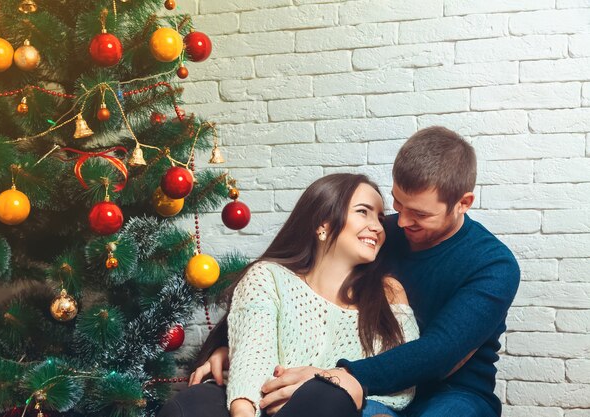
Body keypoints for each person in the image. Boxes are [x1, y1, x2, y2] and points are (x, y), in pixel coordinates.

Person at [183, 126, 520, 417]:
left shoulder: (493, 266)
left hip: (450, 390)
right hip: (366, 383)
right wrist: (234, 346)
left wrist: (339, 375)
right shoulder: (376, 234)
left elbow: (441, 353)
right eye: (398, 204)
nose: (400, 222)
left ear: (463, 204)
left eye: (419, 214)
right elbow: (289, 280)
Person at [157, 173, 420, 417]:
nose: (377, 227)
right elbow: (252, 362)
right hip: (259, 402)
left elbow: (402, 385)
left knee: (327, 396)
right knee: (191, 405)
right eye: (363, 212)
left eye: (380, 219)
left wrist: (333, 380)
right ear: (322, 224)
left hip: (332, 409)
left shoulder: (388, 293)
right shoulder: (269, 277)